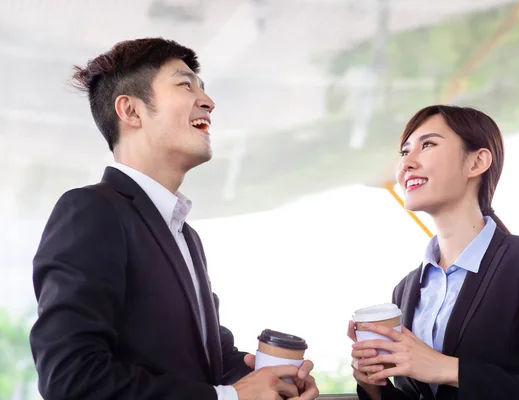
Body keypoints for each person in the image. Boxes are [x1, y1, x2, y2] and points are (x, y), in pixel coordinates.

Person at [29, 37, 319, 400]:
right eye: (185, 84)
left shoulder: (184, 234)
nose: (209, 102)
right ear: (131, 111)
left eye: (203, 88)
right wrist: (227, 398)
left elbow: (204, 363)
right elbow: (71, 378)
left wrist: (274, 377)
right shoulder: (91, 211)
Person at [348, 105, 519, 400]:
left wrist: (449, 370)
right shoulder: (405, 290)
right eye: (404, 152)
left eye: (427, 145)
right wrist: (373, 385)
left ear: (477, 162)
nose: (406, 164)